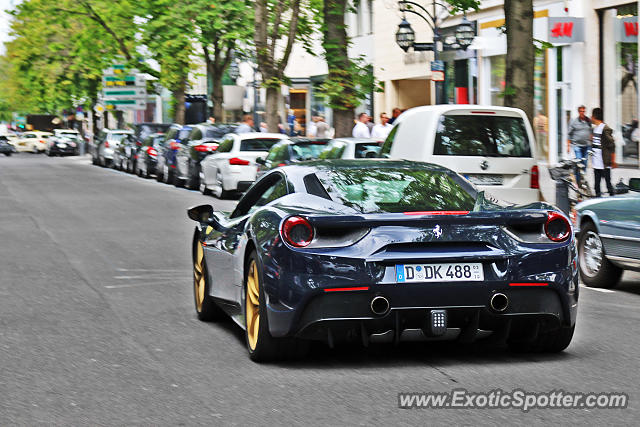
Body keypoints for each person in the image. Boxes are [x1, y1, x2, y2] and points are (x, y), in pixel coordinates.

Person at [590, 107, 615, 197]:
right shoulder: (595, 128)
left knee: (608, 184)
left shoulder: (604, 128)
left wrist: (613, 161)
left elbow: (612, 144)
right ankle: (598, 200)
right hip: (596, 162)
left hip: (603, 162)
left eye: (592, 115)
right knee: (596, 185)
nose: (590, 117)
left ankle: (613, 200)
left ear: (595, 116)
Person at [567, 105, 591, 185]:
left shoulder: (588, 121)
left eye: (584, 111)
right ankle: (578, 181)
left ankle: (582, 179)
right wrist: (568, 146)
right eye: (581, 111)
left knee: (584, 163)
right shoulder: (574, 121)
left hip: (587, 146)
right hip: (577, 145)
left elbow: (591, 131)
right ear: (578, 112)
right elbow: (569, 134)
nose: (582, 113)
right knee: (579, 162)